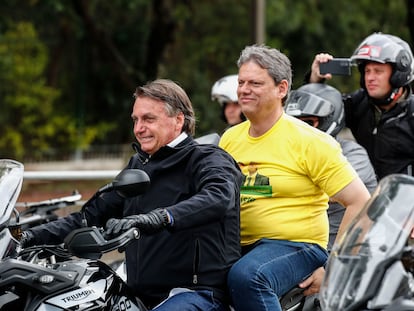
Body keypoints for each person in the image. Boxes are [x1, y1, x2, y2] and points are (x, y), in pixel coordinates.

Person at [21, 79, 243, 311]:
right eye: (136, 120)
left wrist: (159, 217)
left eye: (148, 119)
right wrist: (24, 236)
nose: (138, 128)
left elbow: (219, 197)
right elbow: (87, 217)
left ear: (179, 120)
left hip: (196, 294)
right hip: (139, 293)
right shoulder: (139, 165)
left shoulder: (207, 158)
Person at [218, 44, 371, 311]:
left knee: (248, 277)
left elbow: (361, 203)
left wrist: (333, 269)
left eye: (255, 83)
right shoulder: (229, 139)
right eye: (241, 82)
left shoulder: (311, 141)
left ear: (282, 88)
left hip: (298, 246)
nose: (244, 89)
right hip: (239, 246)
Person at [308, 32, 414, 180]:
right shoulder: (359, 103)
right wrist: (315, 79)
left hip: (403, 198)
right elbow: (320, 115)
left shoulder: (411, 113)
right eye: (367, 71)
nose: (370, 77)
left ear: (398, 75)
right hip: (364, 194)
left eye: (378, 71)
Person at [285, 83, 378, 249]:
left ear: (330, 120)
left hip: (343, 252)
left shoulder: (353, 154)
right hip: (295, 247)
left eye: (307, 122)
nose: (299, 130)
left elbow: (326, 190)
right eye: (293, 123)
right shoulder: (286, 153)